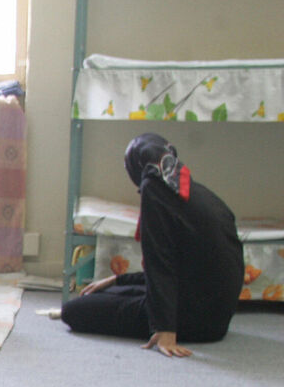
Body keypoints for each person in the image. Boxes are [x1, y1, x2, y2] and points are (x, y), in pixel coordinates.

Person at [61, 133, 243, 357]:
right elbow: (186, 267)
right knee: (111, 291)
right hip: (214, 315)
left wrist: (165, 329)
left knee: (73, 311)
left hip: (193, 320)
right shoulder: (194, 190)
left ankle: (165, 323)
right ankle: (125, 290)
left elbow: (160, 261)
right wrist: (118, 279)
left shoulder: (155, 190)